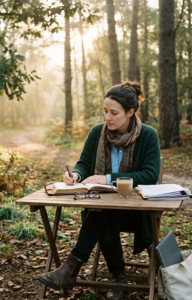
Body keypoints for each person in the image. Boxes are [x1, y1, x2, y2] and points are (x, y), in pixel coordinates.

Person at [38, 81, 160, 300]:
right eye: (105, 111)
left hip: (135, 212)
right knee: (104, 215)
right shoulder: (97, 133)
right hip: (103, 208)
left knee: (101, 213)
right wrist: (75, 175)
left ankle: (71, 269)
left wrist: (108, 178)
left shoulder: (148, 135)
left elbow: (149, 175)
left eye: (114, 113)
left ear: (130, 112)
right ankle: (118, 280)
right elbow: (84, 163)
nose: (107, 118)